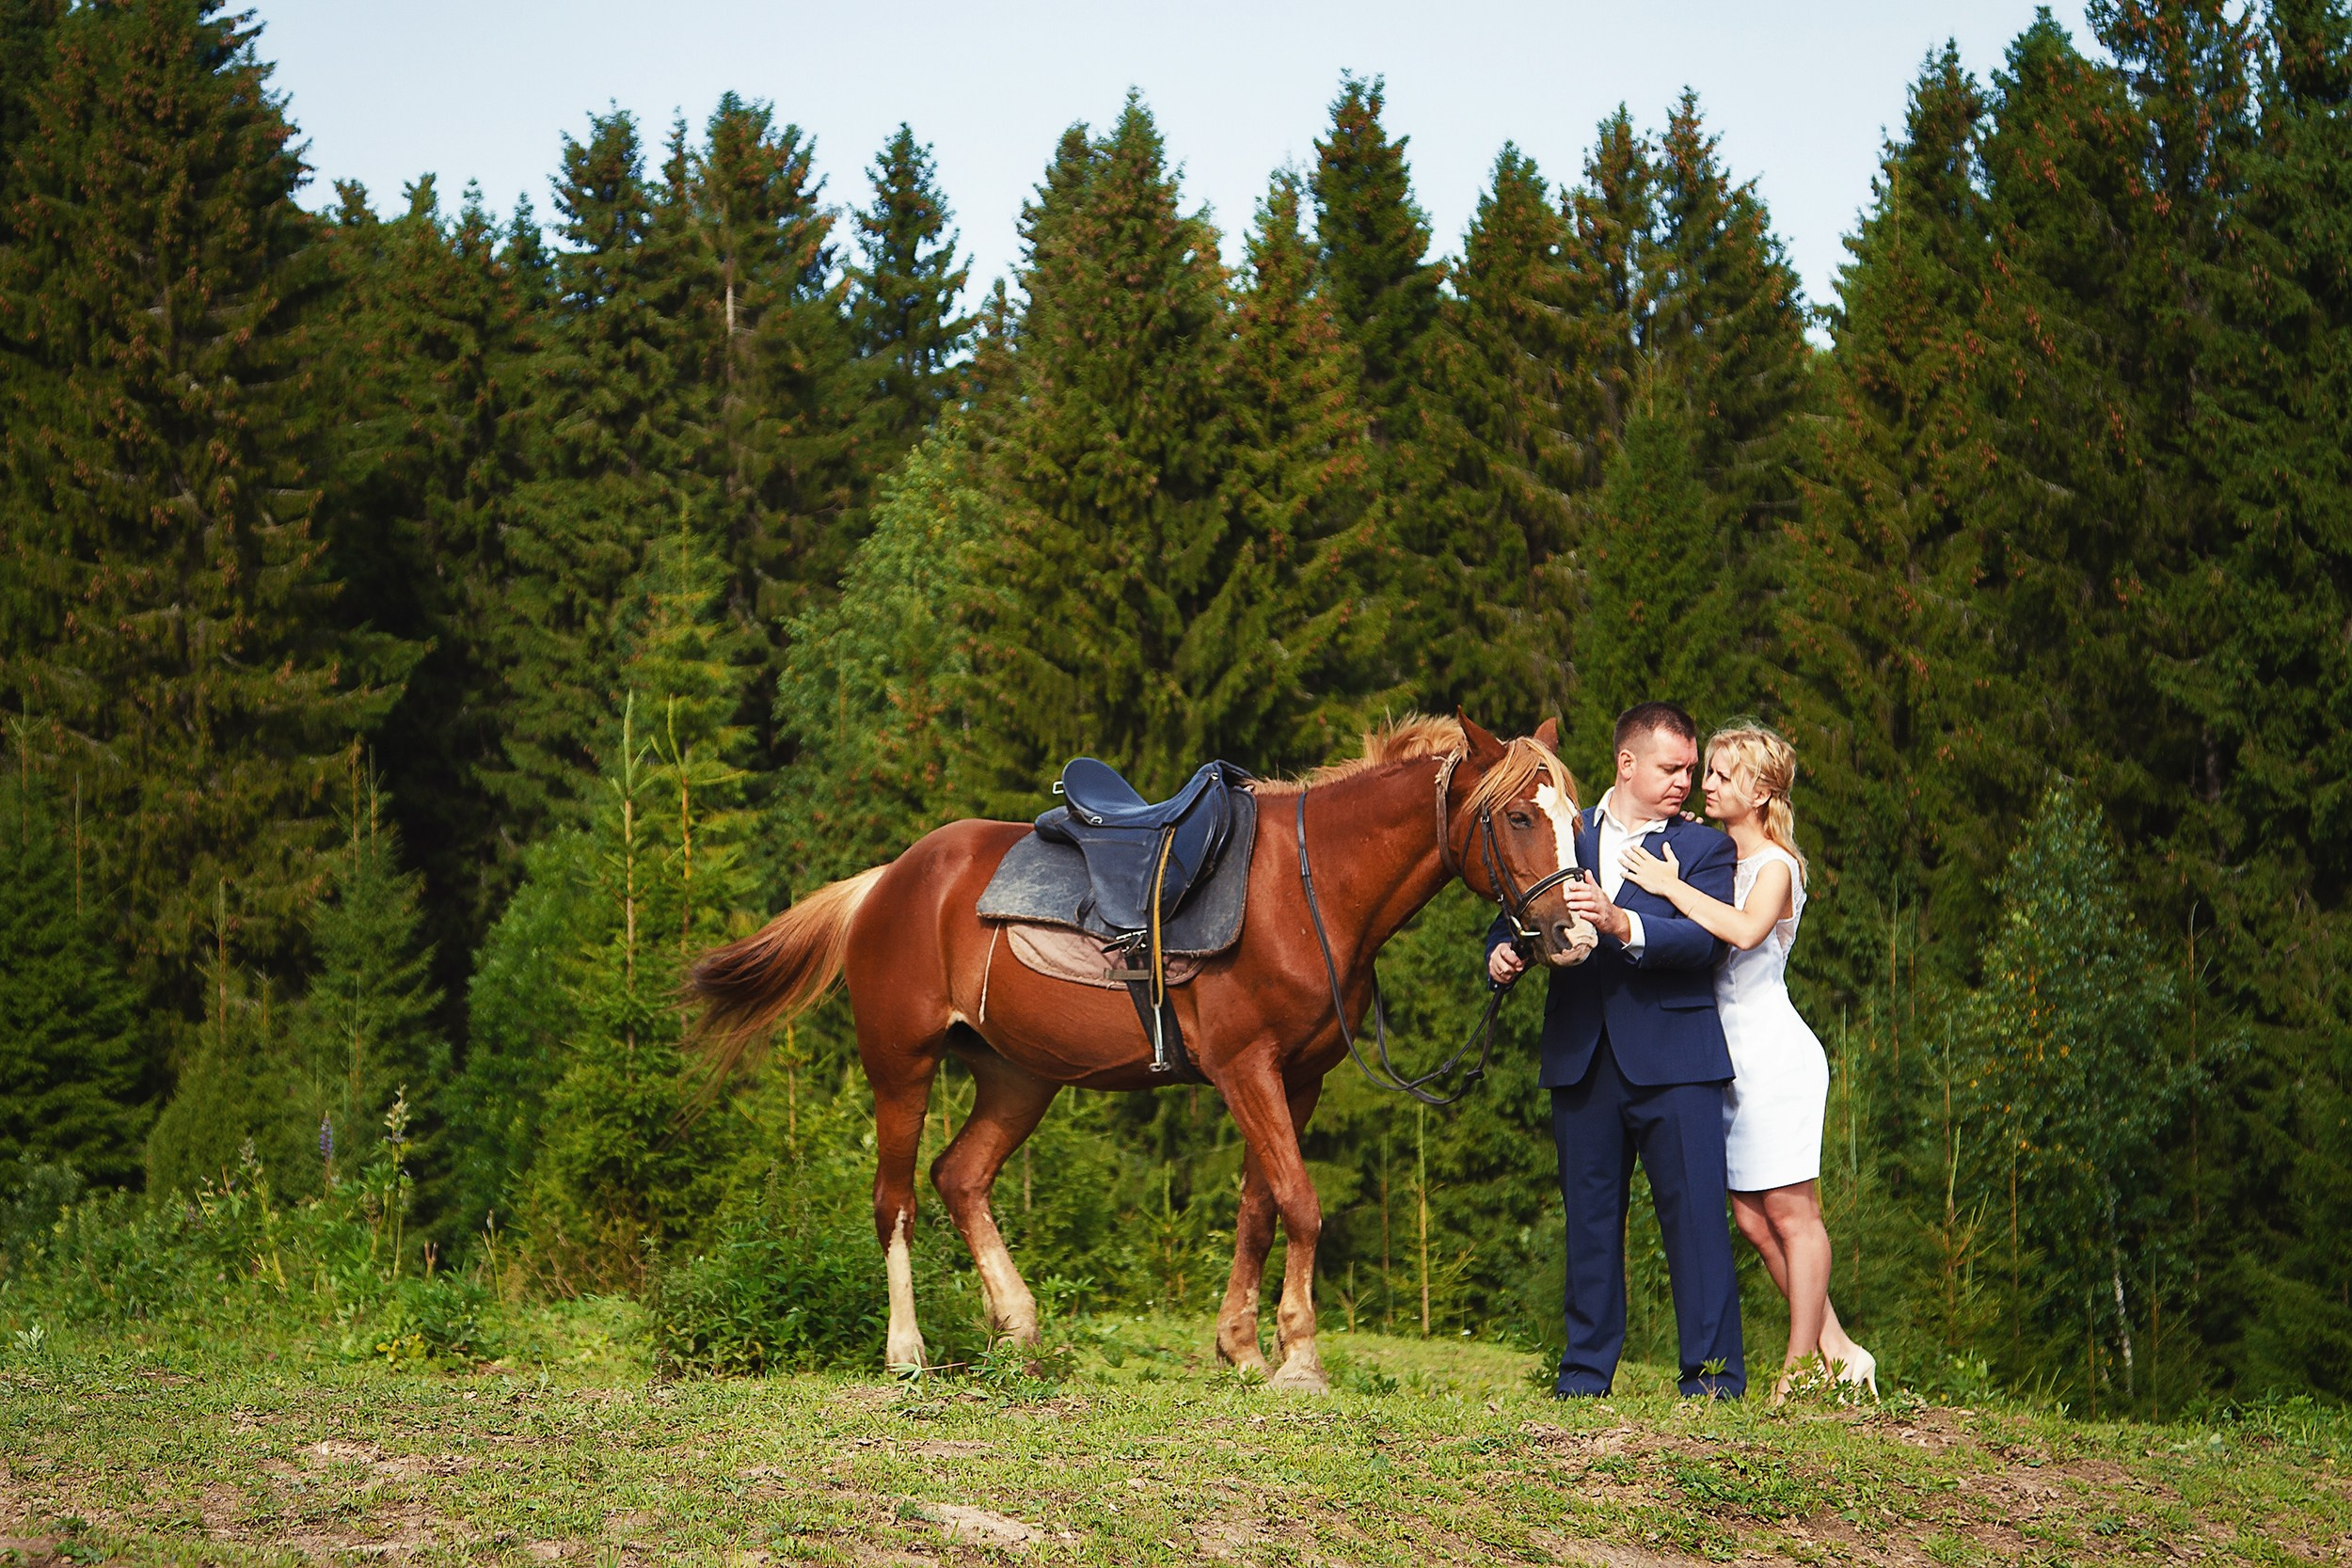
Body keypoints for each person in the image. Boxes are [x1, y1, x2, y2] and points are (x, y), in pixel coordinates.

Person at [1488, 702, 1745, 1400]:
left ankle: (1713, 1383)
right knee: (1591, 1226)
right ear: (1626, 763)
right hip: (1581, 1057)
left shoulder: (1703, 849)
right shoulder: (1564, 828)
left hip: (1678, 1061)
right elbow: (1514, 909)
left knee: (1695, 1223)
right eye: (1671, 767)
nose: (1685, 782)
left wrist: (1621, 920)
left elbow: (1707, 943)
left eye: (1691, 769)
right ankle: (1582, 1378)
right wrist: (1502, 953)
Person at [1617, 722, 1877, 1399]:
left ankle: (1799, 1371)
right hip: (1727, 1059)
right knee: (1753, 1220)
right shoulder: (1718, 860)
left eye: (1721, 776)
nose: (1705, 784)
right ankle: (1841, 1348)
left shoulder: (1776, 867)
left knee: (1795, 1214)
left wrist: (1671, 889)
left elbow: (1741, 930)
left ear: (1760, 792)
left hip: (1775, 1059)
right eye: (1707, 773)